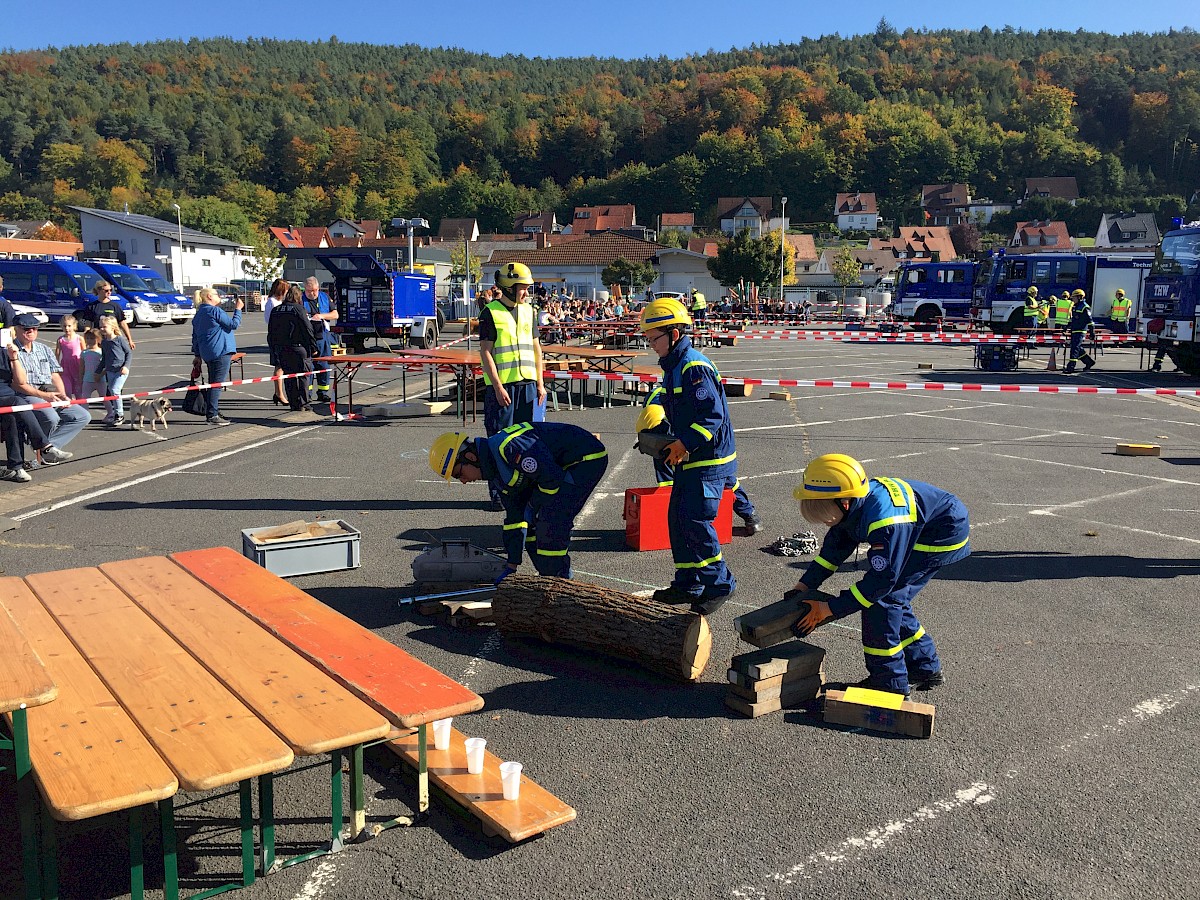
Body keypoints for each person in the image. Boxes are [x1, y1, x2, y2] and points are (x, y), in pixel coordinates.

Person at [787, 453, 969, 697]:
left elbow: (881, 581)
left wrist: (829, 609)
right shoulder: (854, 501)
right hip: (923, 524)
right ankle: (924, 668)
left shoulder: (886, 522)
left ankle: (888, 685)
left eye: (826, 516)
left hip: (939, 535)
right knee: (894, 600)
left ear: (845, 503)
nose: (825, 523)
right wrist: (803, 585)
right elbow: (833, 551)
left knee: (881, 604)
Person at [638, 298, 740, 614]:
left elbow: (712, 416)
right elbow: (681, 413)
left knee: (697, 521)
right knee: (679, 520)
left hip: (708, 460)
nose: (651, 344)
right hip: (689, 458)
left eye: (654, 337)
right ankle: (688, 582)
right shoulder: (674, 368)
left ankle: (719, 583)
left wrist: (683, 444)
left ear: (675, 333)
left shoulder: (693, 367)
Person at [428, 424, 607, 580]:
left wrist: (532, 505)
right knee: (531, 527)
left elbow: (552, 479)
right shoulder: (496, 474)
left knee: (552, 519)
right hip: (557, 469)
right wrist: (511, 565)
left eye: (458, 474)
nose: (463, 481)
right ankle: (548, 578)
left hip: (586, 459)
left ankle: (560, 583)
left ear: (470, 457)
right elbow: (515, 518)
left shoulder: (509, 448)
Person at [636, 383, 762, 533]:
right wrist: (648, 444)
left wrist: (686, 444)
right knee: (666, 470)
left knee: (722, 476)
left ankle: (749, 514)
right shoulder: (653, 401)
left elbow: (709, 421)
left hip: (707, 440)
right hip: (677, 430)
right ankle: (675, 517)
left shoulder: (689, 401)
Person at [478, 262, 547, 508]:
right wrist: (497, 386)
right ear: (508, 287)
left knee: (527, 441)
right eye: (522, 288)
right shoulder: (490, 313)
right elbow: (485, 353)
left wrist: (540, 382)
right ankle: (498, 492)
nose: (526, 293)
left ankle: (523, 490)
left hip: (528, 386)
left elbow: (537, 348)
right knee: (498, 441)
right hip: (503, 388)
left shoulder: (530, 311)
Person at [9, 313, 90, 457]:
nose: (31, 332)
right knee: (51, 417)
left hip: (49, 392)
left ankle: (48, 448)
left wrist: (63, 395)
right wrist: (46, 396)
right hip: (27, 394)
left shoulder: (43, 348)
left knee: (82, 416)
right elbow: (17, 385)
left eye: (34, 328)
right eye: (26, 329)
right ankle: (43, 448)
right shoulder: (11, 352)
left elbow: (55, 375)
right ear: (17, 330)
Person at [0, 342, 72, 483]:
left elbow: (21, 380)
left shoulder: (4, 351)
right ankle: (44, 446)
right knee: (18, 403)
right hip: (10, 400)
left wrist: (14, 357)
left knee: (13, 415)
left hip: (7, 400)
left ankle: (16, 468)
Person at [190, 287, 243, 426]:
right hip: (221, 351)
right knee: (217, 384)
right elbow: (233, 324)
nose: (219, 296)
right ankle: (212, 414)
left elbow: (195, 337)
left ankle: (212, 410)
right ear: (209, 297)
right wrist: (238, 309)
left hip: (208, 353)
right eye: (216, 294)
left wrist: (197, 355)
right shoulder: (214, 311)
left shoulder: (199, 314)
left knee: (213, 382)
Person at [267, 285, 316, 411]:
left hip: (282, 348)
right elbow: (307, 328)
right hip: (298, 348)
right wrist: (313, 346)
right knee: (303, 376)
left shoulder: (276, 310)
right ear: (298, 296)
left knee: (289, 377)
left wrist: (273, 349)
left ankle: (294, 404)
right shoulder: (299, 309)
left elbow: (271, 332)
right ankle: (304, 403)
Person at [301, 277, 338, 406]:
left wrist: (321, 316)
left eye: (315, 290)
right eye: (310, 291)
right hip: (306, 338)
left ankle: (323, 392)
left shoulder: (324, 297)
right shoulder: (300, 299)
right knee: (308, 366)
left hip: (323, 336)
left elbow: (335, 314)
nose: (313, 293)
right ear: (305, 289)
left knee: (323, 365)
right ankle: (308, 394)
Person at [97, 315, 131, 426]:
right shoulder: (104, 342)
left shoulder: (119, 339)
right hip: (110, 371)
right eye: (100, 327)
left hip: (121, 370)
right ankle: (115, 413)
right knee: (112, 392)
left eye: (104, 327)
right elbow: (104, 358)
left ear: (112, 327)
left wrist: (126, 366)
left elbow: (128, 353)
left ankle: (119, 415)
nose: (102, 329)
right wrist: (98, 371)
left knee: (115, 390)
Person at [262, 278, 291, 405]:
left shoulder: (280, 302)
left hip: (284, 336)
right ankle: (279, 393)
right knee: (279, 365)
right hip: (277, 336)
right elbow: (270, 320)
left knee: (283, 365)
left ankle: (278, 393)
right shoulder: (272, 302)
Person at [85, 281, 135, 350]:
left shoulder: (115, 306)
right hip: (98, 340)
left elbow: (122, 323)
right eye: (106, 290)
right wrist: (86, 340)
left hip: (113, 339)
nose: (109, 292)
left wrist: (130, 339)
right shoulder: (92, 306)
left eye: (110, 290)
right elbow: (88, 326)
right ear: (99, 291)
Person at [1062, 288, 1096, 375]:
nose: (1072, 299)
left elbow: (1090, 321)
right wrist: (1067, 327)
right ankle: (1089, 362)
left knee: (1074, 349)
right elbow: (1074, 319)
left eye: (1074, 297)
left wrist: (1092, 332)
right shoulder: (1076, 306)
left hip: (1080, 331)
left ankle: (1071, 367)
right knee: (1078, 348)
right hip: (1074, 330)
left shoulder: (1084, 307)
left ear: (1079, 297)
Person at [55, 314, 84, 399]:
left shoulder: (79, 338)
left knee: (78, 389)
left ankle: (80, 407)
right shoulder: (61, 339)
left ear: (74, 326)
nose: (67, 328)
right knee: (67, 388)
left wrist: (85, 366)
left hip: (77, 365)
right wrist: (56, 367)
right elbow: (57, 354)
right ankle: (69, 405)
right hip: (65, 366)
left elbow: (85, 352)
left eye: (69, 326)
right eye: (64, 326)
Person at [79, 328, 105, 402]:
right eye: (87, 338)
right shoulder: (84, 353)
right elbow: (81, 367)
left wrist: (101, 375)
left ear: (98, 339)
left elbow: (105, 365)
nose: (89, 340)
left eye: (92, 338)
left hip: (100, 380)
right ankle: (84, 413)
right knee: (85, 398)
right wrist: (80, 378)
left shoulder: (101, 352)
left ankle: (110, 412)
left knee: (104, 397)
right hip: (87, 379)